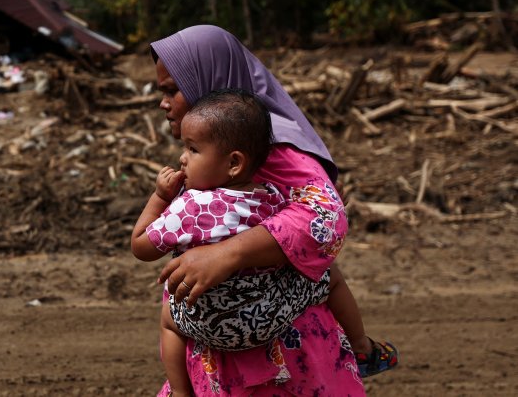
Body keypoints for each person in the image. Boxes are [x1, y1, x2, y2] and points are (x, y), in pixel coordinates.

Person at [148, 25, 397, 396]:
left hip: (284, 352)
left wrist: (229, 253)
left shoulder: (272, 147)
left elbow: (326, 214)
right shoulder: (214, 147)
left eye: (172, 90)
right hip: (227, 341)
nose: (163, 103)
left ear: (209, 82)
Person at [132, 88, 334, 396]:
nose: (182, 158)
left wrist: (160, 196)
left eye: (192, 149)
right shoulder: (272, 196)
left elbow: (141, 247)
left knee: (168, 320)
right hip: (269, 320)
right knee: (328, 277)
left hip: (212, 326)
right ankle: (361, 344)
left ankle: (182, 393)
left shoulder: (192, 207)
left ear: (234, 163)